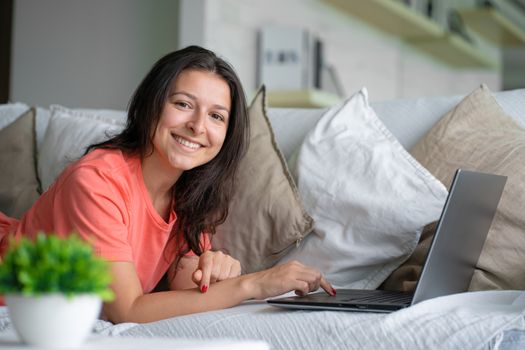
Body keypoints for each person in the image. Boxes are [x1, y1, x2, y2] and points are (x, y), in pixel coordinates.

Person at [0, 45, 335, 323]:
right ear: (151, 106)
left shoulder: (190, 193)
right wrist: (254, 284)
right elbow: (126, 310)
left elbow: (187, 286)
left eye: (216, 116)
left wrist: (217, 271)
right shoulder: (97, 181)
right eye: (183, 105)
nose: (197, 126)